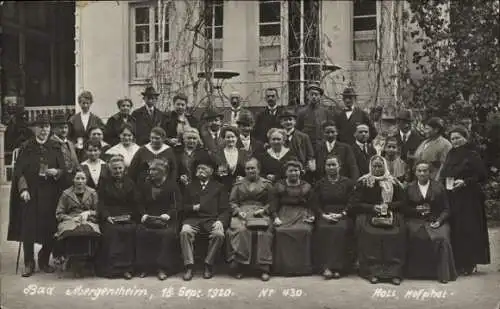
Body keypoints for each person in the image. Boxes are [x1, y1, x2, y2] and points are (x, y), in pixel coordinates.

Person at [7, 114, 65, 277]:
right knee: (28, 228)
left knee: (50, 228)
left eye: (46, 127)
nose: (44, 130)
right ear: (34, 129)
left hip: (50, 194)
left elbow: (63, 170)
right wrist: (23, 189)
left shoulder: (55, 147)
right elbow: (19, 173)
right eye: (40, 127)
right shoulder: (26, 147)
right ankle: (29, 262)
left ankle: (44, 259)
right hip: (30, 194)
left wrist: (57, 172)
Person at [440, 126, 490, 275]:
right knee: (457, 228)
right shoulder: (451, 153)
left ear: (465, 138)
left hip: (469, 197)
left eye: (458, 138)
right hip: (453, 196)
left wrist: (465, 182)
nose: (455, 141)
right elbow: (445, 172)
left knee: (469, 228)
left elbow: (481, 175)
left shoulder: (472, 154)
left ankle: (470, 263)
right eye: (452, 138)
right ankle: (459, 262)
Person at [348, 155, 406, 285]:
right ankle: (372, 272)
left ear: (385, 167)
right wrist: (373, 207)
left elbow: (403, 202)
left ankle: (394, 272)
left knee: (395, 233)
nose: (377, 169)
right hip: (368, 214)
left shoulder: (393, 182)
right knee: (370, 234)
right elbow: (355, 204)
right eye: (375, 166)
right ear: (370, 167)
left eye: (380, 166)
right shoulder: (363, 182)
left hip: (389, 214)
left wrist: (388, 206)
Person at [403, 160, 457, 283]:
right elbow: (404, 209)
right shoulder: (409, 188)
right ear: (415, 173)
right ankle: (415, 273)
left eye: (425, 171)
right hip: (415, 221)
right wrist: (415, 210)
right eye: (419, 171)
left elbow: (446, 209)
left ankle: (443, 274)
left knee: (442, 239)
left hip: (436, 221)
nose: (422, 173)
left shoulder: (439, 187)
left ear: (430, 173)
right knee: (415, 236)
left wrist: (439, 221)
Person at [179, 156, 230, 281]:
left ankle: (209, 264)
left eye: (203, 168)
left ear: (211, 171)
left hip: (211, 220)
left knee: (219, 234)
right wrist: (192, 208)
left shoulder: (219, 187)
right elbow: (182, 207)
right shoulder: (190, 186)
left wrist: (220, 221)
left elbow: (225, 209)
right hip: (193, 220)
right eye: (198, 168)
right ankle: (189, 266)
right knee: (185, 231)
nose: (200, 170)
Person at [226, 158, 274, 281]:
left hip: (260, 213)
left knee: (263, 233)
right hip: (243, 213)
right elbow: (232, 202)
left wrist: (264, 210)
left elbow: (272, 201)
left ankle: (264, 268)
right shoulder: (238, 185)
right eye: (248, 168)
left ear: (258, 169)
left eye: (253, 168)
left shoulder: (267, 184)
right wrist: (238, 211)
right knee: (241, 231)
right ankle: (240, 266)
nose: (250, 170)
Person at [136, 159, 182, 280]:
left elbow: (177, 205)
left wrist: (169, 214)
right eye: (150, 169)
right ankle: (145, 267)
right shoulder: (145, 185)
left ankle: (163, 268)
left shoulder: (172, 185)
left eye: (154, 170)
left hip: (167, 220)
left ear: (163, 172)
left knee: (166, 235)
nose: (151, 172)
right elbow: (139, 203)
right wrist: (143, 214)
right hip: (149, 218)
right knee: (141, 232)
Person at [313, 155, 355, 279]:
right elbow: (315, 202)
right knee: (323, 229)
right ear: (325, 167)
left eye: (333, 165)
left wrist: (342, 213)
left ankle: (339, 268)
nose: (331, 167)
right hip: (325, 214)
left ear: (339, 167)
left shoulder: (347, 183)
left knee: (341, 230)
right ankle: (326, 267)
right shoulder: (320, 183)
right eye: (328, 165)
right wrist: (323, 215)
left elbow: (352, 201)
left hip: (342, 214)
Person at [271, 159, 315, 276]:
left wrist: (312, 215)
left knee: (305, 231)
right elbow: (273, 204)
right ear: (286, 172)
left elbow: (312, 204)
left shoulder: (306, 186)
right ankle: (283, 268)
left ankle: (302, 268)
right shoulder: (279, 185)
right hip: (284, 212)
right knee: (280, 231)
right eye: (291, 171)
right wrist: (275, 217)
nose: (294, 173)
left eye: (296, 170)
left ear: (300, 172)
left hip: (302, 212)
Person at [54, 168, 101, 278]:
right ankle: (73, 261)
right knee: (72, 232)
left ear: (86, 180)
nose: (80, 181)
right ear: (73, 180)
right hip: (70, 220)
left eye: (83, 178)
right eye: (77, 178)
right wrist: (71, 218)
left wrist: (88, 213)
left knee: (88, 231)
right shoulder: (66, 194)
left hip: (89, 220)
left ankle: (86, 261)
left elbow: (99, 212)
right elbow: (59, 213)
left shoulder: (93, 193)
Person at [96, 156, 137, 279]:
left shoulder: (130, 183)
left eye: (120, 168)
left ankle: (127, 269)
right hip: (110, 216)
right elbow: (100, 203)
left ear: (124, 169)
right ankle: (112, 269)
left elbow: (135, 202)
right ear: (110, 170)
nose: (118, 171)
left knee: (130, 230)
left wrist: (131, 215)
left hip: (127, 215)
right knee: (112, 232)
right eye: (115, 169)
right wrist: (106, 216)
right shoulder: (104, 182)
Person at [296, 82, 335, 149]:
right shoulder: (301, 112)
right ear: (307, 96)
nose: (314, 97)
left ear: (320, 96)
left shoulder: (326, 112)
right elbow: (298, 130)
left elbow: (330, 129)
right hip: (306, 145)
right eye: (311, 94)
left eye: (316, 94)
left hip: (322, 145)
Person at [279, 109, 316, 179]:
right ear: (281, 122)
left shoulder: (304, 137)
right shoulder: (277, 136)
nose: (288, 122)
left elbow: (310, 156)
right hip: (282, 173)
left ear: (295, 122)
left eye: (290, 119)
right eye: (285, 120)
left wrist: (305, 169)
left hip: (300, 172)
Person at [213, 126, 250, 191]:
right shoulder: (218, 154)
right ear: (224, 138)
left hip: (240, 188)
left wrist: (244, 179)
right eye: (228, 137)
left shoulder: (244, 153)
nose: (230, 139)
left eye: (233, 137)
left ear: (237, 138)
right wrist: (218, 173)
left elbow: (249, 170)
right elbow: (213, 172)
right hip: (222, 188)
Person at [50, 113, 79, 185]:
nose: (64, 130)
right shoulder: (49, 144)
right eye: (61, 128)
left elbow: (75, 163)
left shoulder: (70, 144)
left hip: (71, 181)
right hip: (55, 182)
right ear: (53, 129)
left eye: (66, 127)